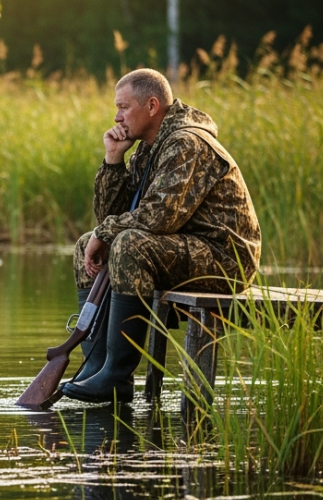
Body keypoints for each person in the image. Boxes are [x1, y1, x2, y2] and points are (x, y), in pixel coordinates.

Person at [61, 69, 262, 403]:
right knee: (88, 243)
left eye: (123, 107)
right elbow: (111, 217)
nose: (116, 116)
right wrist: (113, 160)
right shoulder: (149, 146)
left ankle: (116, 375)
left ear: (152, 106)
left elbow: (159, 217)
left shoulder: (186, 142)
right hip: (182, 249)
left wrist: (107, 231)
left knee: (128, 243)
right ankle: (96, 366)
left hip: (225, 258)